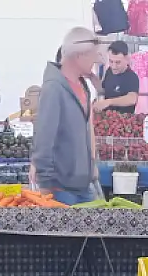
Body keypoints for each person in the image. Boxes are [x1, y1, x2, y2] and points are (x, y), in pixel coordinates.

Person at [32, 27, 107, 204]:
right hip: (61, 188)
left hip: (83, 184)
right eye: (93, 56)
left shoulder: (83, 85)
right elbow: (44, 137)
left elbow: (87, 128)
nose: (95, 61)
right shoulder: (54, 89)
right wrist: (44, 186)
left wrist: (92, 163)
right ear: (79, 56)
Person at [93, 40, 138, 115]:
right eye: (111, 61)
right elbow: (102, 90)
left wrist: (109, 102)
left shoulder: (131, 77)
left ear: (127, 59)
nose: (114, 66)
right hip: (107, 119)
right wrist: (91, 76)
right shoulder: (109, 71)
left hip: (123, 122)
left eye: (118, 62)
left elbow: (132, 99)